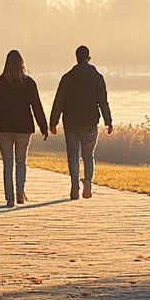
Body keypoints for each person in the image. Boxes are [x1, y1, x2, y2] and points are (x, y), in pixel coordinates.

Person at [0, 50, 49, 207]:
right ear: (22, 64)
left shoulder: (0, 82)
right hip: (24, 128)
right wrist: (43, 127)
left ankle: (9, 198)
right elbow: (36, 106)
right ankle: (20, 190)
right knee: (21, 161)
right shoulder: (29, 83)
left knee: (8, 163)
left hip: (4, 127)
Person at [49, 45, 112, 200]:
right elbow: (103, 101)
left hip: (71, 123)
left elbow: (59, 101)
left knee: (73, 156)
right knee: (88, 155)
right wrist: (108, 121)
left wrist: (53, 121)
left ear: (76, 58)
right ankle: (88, 183)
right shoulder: (97, 77)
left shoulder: (67, 78)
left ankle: (75, 186)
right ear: (88, 58)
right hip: (90, 123)